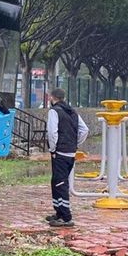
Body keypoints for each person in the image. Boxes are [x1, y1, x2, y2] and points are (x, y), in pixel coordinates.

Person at [45, 88, 89, 227]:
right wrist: (74, 144)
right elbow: (84, 130)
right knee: (57, 181)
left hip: (60, 153)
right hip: (70, 152)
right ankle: (58, 212)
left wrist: (53, 149)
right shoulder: (72, 111)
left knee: (60, 184)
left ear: (52, 97)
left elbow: (52, 133)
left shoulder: (54, 111)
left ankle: (66, 217)